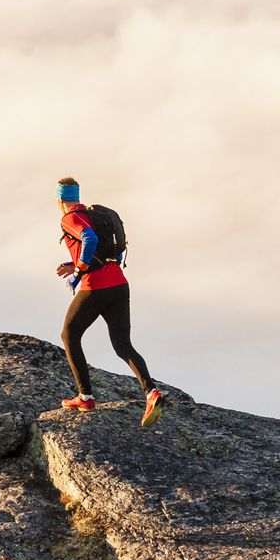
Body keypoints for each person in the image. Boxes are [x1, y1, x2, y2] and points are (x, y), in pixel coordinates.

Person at [54, 179, 166, 426]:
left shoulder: (69, 218)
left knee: (69, 335)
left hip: (95, 288)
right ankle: (151, 392)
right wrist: (75, 265)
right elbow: (108, 252)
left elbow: (89, 239)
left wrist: (79, 271)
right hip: (119, 286)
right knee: (123, 345)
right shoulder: (94, 215)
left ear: (60, 200)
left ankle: (85, 397)